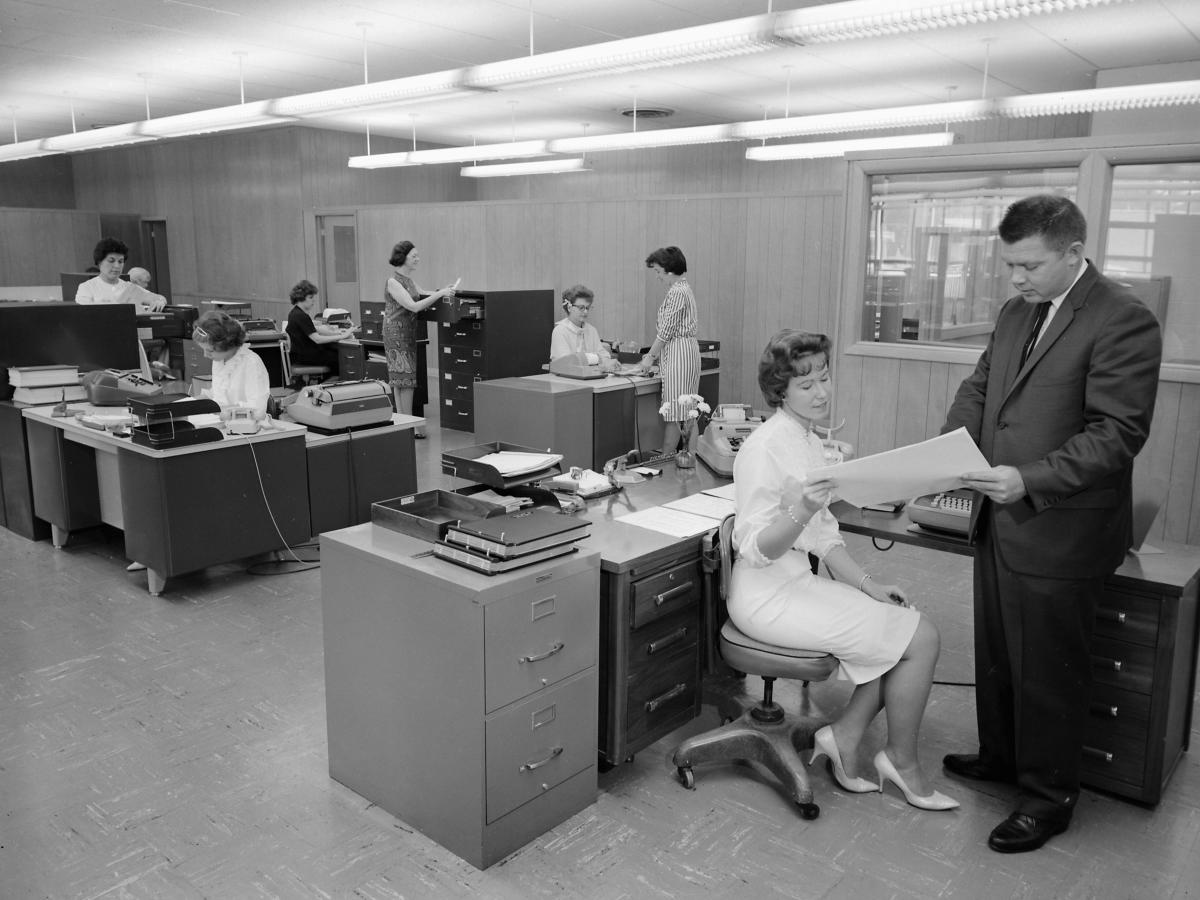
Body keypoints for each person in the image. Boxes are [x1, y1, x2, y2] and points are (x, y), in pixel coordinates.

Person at [941, 194, 1162, 853]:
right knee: (999, 655)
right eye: (1009, 265)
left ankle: (1047, 798)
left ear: (1072, 252)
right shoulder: (1016, 312)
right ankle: (1002, 757)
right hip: (999, 515)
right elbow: (982, 386)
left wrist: (1028, 478)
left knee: (1048, 669)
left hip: (1061, 526)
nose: (1016, 280)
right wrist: (952, 447)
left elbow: (1115, 435)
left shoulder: (1123, 319)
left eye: (1029, 266)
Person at [731, 329, 957, 811]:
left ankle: (847, 737)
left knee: (901, 624)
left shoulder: (807, 441)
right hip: (765, 596)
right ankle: (901, 762)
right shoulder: (763, 447)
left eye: (825, 378)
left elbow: (827, 538)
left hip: (797, 583)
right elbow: (753, 549)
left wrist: (871, 586)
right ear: (780, 391)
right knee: (922, 639)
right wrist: (798, 512)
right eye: (806, 384)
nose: (822, 392)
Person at [384, 241, 457, 436]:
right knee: (404, 381)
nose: (418, 259)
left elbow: (423, 294)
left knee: (402, 381)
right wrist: (440, 294)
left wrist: (443, 291)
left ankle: (404, 423)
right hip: (395, 334)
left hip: (407, 332)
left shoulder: (408, 280)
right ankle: (409, 425)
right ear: (403, 257)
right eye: (414, 256)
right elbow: (414, 306)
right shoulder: (394, 281)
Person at [641, 246, 701, 458]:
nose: (657, 277)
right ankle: (691, 457)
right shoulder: (685, 288)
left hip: (679, 352)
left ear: (668, 269)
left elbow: (666, 331)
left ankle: (664, 460)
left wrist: (649, 358)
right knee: (688, 413)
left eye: (657, 271)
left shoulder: (676, 291)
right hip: (687, 351)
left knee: (675, 413)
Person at [192, 310, 271, 417]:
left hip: (246, 426)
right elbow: (219, 394)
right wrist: (197, 401)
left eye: (209, 350)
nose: (205, 355)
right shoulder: (220, 360)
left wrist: (220, 410)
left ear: (227, 345)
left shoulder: (251, 363)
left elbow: (257, 408)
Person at [75, 238, 166, 311]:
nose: (117, 266)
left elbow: (157, 298)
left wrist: (160, 301)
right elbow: (87, 314)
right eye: (111, 261)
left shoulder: (130, 287)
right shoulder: (87, 288)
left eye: (120, 261)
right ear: (99, 262)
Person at [286, 279, 353, 378]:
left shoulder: (294, 313)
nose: (313, 300)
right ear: (301, 298)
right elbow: (317, 339)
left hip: (299, 355)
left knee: (334, 353)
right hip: (306, 357)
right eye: (310, 297)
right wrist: (343, 336)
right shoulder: (301, 316)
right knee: (341, 357)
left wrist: (337, 333)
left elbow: (314, 329)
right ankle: (333, 386)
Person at [549, 284, 615, 369]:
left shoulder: (591, 330)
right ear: (569, 307)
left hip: (589, 378)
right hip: (566, 380)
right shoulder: (560, 331)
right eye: (581, 308)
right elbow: (568, 362)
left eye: (588, 307)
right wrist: (597, 358)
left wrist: (609, 362)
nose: (586, 312)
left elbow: (603, 356)